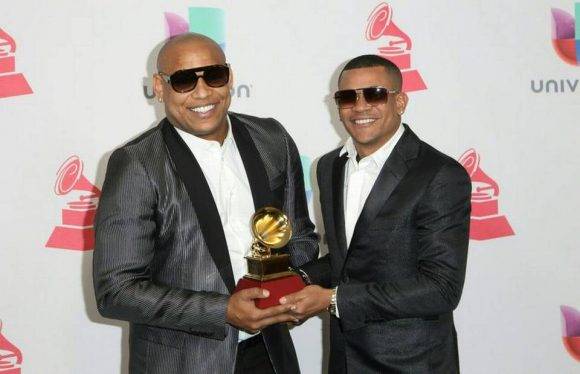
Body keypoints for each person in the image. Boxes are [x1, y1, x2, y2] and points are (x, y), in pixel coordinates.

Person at [92, 33, 318, 374]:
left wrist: (287, 289)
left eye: (214, 76)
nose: (202, 92)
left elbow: (299, 237)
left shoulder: (271, 139)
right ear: (159, 86)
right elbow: (117, 290)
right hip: (182, 362)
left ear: (230, 77)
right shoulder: (138, 164)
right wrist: (223, 310)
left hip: (269, 354)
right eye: (183, 81)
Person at [281, 54, 471, 373]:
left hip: (412, 363)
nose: (360, 106)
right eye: (347, 97)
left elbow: (441, 289)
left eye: (375, 94)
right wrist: (298, 280)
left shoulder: (439, 174)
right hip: (344, 359)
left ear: (400, 101)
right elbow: (348, 260)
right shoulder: (329, 167)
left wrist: (332, 300)